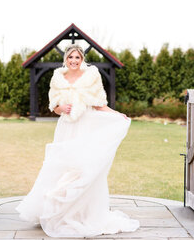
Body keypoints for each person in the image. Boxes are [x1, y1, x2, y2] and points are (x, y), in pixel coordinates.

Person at [16, 44, 140, 237]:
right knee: (62, 167)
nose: (74, 61)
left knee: (85, 168)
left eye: (77, 58)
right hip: (67, 127)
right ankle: (57, 212)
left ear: (82, 59)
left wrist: (118, 114)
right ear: (65, 59)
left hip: (87, 126)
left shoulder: (92, 77)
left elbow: (100, 104)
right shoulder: (57, 78)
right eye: (71, 57)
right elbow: (54, 106)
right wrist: (61, 108)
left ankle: (83, 213)